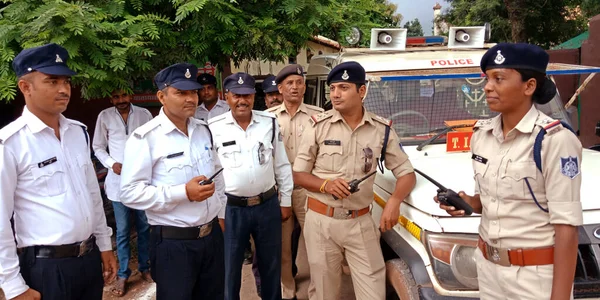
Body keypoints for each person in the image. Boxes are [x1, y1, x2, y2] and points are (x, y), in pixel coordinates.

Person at [435, 43, 582, 300]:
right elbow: (494, 200)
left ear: (529, 86)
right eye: (487, 79)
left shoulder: (553, 140)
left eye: (499, 79)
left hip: (534, 279)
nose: (488, 87)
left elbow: (566, 228)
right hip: (489, 271)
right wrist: (468, 202)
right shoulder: (482, 135)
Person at [0, 43, 116, 300]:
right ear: (25, 87)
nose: (64, 89)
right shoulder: (10, 143)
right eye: (52, 81)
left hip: (88, 259)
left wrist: (105, 245)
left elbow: (91, 195)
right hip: (47, 269)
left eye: (66, 81)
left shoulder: (77, 132)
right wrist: (12, 284)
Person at [293, 61, 416, 300]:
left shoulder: (382, 130)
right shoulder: (318, 126)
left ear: (362, 91)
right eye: (333, 88)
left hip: (361, 222)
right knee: (324, 293)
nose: (335, 94)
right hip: (321, 223)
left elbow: (406, 173)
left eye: (343, 88)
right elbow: (297, 175)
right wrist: (325, 185)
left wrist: (394, 201)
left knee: (373, 291)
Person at [119, 63, 226, 300]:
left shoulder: (203, 130)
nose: (190, 98)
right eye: (181, 93)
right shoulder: (145, 138)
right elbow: (129, 192)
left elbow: (218, 174)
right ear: (161, 96)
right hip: (174, 245)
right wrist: (182, 193)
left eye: (193, 92)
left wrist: (221, 215)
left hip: (211, 238)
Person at [208, 72, 293, 300]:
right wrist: (218, 211)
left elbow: (282, 165)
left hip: (267, 206)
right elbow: (210, 172)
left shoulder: (269, 123)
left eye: (246, 94)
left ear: (254, 95)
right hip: (231, 209)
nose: (242, 100)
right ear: (226, 97)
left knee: (271, 265)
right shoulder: (212, 127)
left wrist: (285, 201)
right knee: (230, 267)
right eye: (236, 95)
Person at [266, 64, 323, 300]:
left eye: (299, 82)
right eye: (289, 83)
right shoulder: (267, 118)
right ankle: (287, 291)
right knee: (283, 248)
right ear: (280, 88)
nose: (295, 87)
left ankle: (315, 291)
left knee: (317, 246)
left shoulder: (318, 115)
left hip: (309, 191)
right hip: (280, 192)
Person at [92, 89, 154, 296]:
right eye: (116, 97)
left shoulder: (144, 114)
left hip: (142, 182)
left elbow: (154, 143)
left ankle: (145, 268)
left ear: (131, 96)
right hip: (117, 185)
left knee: (145, 227)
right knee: (123, 231)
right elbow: (98, 147)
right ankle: (123, 274)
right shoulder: (104, 116)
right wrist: (111, 164)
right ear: (111, 99)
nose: (121, 101)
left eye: (124, 96)